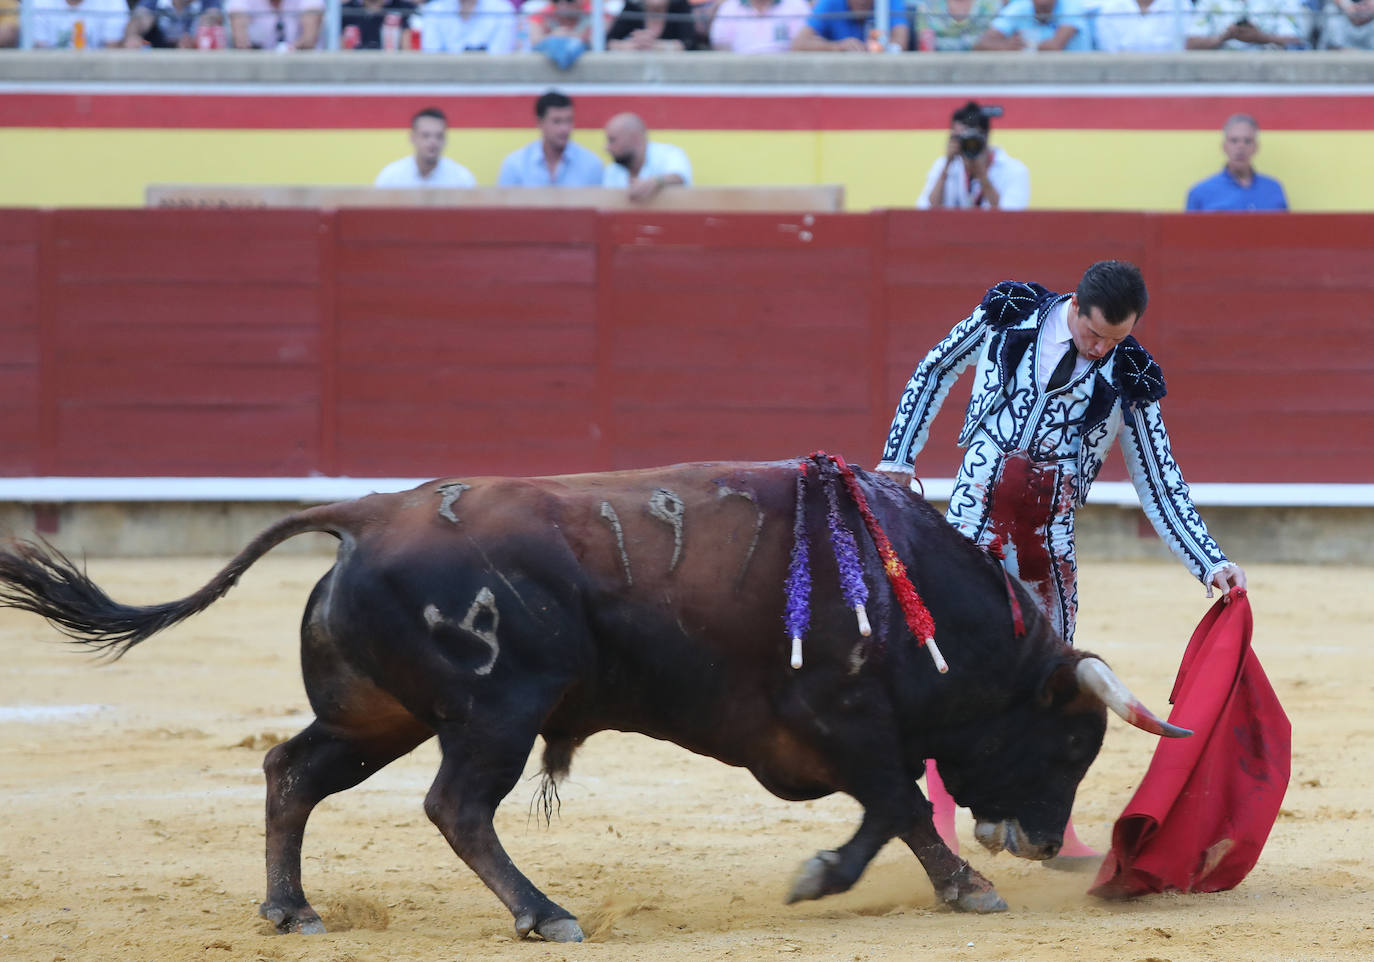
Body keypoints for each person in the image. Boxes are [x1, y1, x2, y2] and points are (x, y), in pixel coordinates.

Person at [877, 260, 1247, 860]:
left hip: (1047, 551)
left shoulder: (1130, 375)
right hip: (970, 532)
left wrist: (1210, 561)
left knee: (1050, 687)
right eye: (1093, 334)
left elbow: (1159, 478)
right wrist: (898, 457)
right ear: (1074, 307)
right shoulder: (1010, 313)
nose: (1101, 348)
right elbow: (935, 368)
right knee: (951, 672)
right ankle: (940, 821)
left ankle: (1050, 825)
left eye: (1115, 339)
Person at [916, 100, 1030, 211]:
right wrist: (947, 166)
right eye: (961, 139)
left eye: (972, 139)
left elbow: (1011, 219)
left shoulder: (1014, 170)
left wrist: (982, 176)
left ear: (985, 136)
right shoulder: (943, 165)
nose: (967, 144)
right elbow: (926, 210)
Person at [498, 91, 605, 188]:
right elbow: (505, 207)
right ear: (540, 122)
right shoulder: (515, 164)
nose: (564, 129)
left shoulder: (591, 164)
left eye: (569, 121)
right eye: (557, 121)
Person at [1185, 114, 1288, 211]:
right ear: (1224, 146)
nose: (1240, 147)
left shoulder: (1274, 189)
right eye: (1234, 141)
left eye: (1247, 141)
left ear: (1256, 147)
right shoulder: (1200, 193)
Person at [374, 107, 478, 189]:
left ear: (445, 140)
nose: (433, 142)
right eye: (426, 135)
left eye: (439, 136)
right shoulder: (391, 178)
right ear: (412, 138)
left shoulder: (462, 179)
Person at [602, 112, 693, 202]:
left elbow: (679, 177)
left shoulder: (669, 154)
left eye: (612, 140)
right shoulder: (613, 169)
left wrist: (657, 181)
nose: (606, 148)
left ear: (635, 138)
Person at [790, 0, 910, 50]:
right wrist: (837, 47)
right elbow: (799, 44)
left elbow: (900, 42)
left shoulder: (888, 2)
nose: (862, 1)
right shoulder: (830, 2)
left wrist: (882, 48)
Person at [973, 0, 1093, 50]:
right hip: (1032, 79)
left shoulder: (1072, 5)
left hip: (1075, 81)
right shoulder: (1020, 6)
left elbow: (1054, 47)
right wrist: (1006, 46)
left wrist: (1025, 46)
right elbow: (981, 44)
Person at [1186, 0, 1307, 49]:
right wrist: (1224, 37)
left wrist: (1261, 37)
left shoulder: (1280, 2)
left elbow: (1298, 43)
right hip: (1220, 76)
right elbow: (1190, 44)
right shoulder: (1210, 2)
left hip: (1270, 74)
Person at [709, 0, 813, 52]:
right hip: (739, 78)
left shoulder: (796, 5)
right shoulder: (729, 7)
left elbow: (802, 46)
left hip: (787, 76)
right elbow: (720, 46)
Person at [420, 0, 518, 53]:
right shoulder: (434, 9)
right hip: (444, 82)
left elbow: (500, 55)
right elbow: (431, 52)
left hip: (490, 82)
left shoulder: (502, 9)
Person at [1092, 0, 1190, 51]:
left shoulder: (1181, 4)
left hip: (1171, 81)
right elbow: (1110, 53)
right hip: (1121, 81)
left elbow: (1183, 47)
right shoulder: (1110, 8)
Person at [28, 0, 130, 47]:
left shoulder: (113, 2)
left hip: (97, 77)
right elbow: (40, 52)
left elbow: (112, 51)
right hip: (53, 79)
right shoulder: (37, 3)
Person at [911, 0, 1002, 51]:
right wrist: (976, 45)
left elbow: (999, 43)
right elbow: (925, 47)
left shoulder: (992, 4)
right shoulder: (928, 4)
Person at [226, 0, 322, 48]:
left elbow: (309, 40)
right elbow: (241, 41)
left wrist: (289, 52)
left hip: (300, 68)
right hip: (257, 69)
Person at [607, 0, 700, 50]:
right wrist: (635, 45)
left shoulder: (681, 6)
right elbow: (608, 42)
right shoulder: (632, 7)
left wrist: (654, 45)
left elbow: (689, 44)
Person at [124, 0, 223, 46]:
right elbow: (139, 20)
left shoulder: (209, 2)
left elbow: (214, 17)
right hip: (159, 62)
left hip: (196, 62)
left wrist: (196, 40)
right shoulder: (153, 2)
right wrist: (133, 36)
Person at [340, 0, 418, 48]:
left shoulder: (402, 8)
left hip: (390, 65)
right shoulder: (347, 9)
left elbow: (406, 47)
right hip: (355, 64)